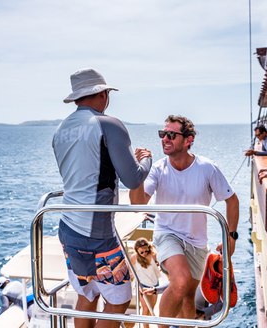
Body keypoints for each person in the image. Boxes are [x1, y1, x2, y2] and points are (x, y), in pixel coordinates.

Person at [52, 68, 152, 328]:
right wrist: (146, 159)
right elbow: (133, 179)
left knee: (88, 293)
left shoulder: (60, 130)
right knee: (119, 299)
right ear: (102, 94)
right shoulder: (108, 124)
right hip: (96, 233)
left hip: (68, 229)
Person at [129, 115, 239, 326]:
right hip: (167, 234)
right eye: (163, 134)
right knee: (180, 281)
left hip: (197, 243)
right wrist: (138, 172)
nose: (165, 139)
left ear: (188, 140)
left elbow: (232, 201)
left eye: (171, 135)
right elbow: (137, 204)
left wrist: (231, 236)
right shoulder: (158, 169)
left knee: (188, 296)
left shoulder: (207, 168)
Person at [130, 238, 161, 328]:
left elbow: (159, 266)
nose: (144, 254)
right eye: (141, 252)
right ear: (137, 251)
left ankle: (144, 323)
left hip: (154, 285)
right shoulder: (134, 258)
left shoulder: (153, 255)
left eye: (146, 251)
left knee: (151, 309)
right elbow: (131, 272)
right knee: (146, 308)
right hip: (142, 285)